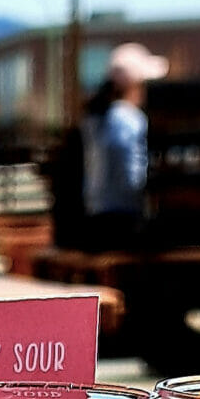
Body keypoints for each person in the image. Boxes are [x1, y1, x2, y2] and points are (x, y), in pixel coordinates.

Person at [80, 40, 169, 247]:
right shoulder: (129, 119)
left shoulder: (96, 118)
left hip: (98, 215)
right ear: (134, 85)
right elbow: (132, 178)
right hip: (123, 217)